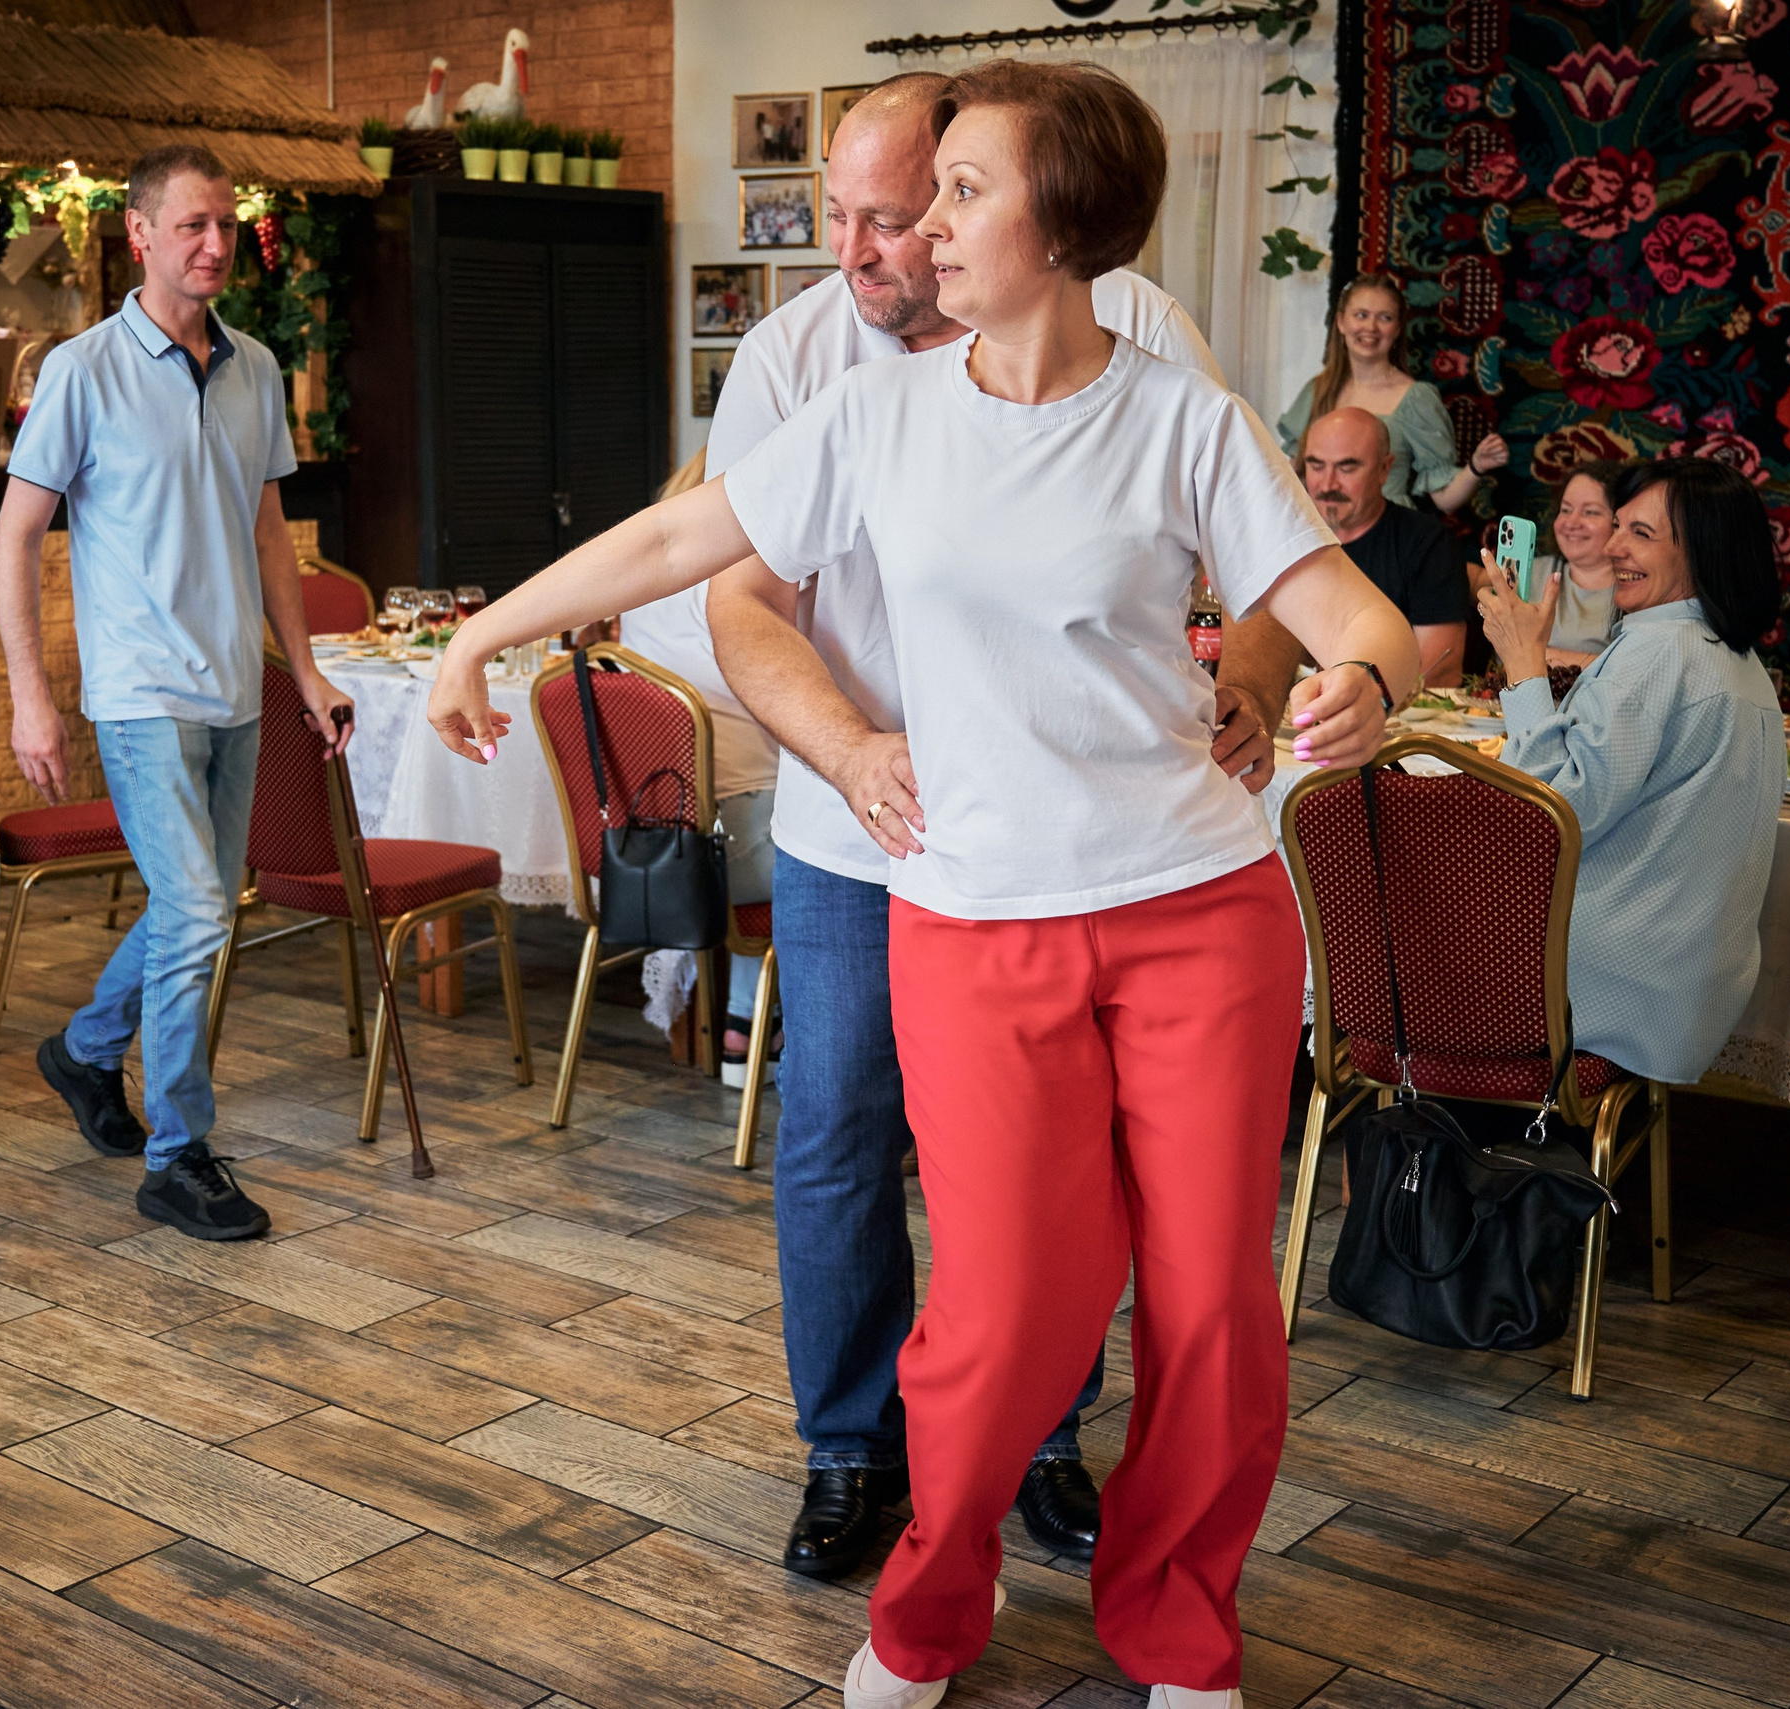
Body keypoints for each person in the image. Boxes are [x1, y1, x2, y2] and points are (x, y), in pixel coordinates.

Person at [427, 60, 1417, 1709]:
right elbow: (680, 550)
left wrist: (1362, 687)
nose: (916, 226)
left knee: (1211, 1305)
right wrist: (482, 626)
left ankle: (1178, 1620)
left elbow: (1345, 607)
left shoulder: (1183, 416)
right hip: (970, 911)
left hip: (1196, 905)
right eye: (920, 193)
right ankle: (931, 1598)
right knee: (1009, 1308)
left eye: (962, 191)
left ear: (1061, 220)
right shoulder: (875, 413)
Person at [689, 68, 1308, 1582]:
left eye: (898, 215)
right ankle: (852, 1454)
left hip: (1093, 844)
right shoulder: (792, 360)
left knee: (1070, 1179)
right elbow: (732, 595)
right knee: (837, 1125)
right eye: (839, 216)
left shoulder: (1142, 331)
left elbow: (1263, 549)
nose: (864, 251)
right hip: (866, 826)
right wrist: (848, 748)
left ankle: (1041, 1435)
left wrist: (1263, 677)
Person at [0, 143, 350, 1242]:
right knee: (200, 908)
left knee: (194, 906)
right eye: (191, 225)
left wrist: (307, 669)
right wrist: (30, 694)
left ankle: (87, 1048)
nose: (213, 245)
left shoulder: (250, 365)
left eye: (225, 227)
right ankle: (178, 1151)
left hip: (236, 689)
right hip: (141, 691)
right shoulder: (82, 371)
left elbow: (268, 535)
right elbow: (14, 539)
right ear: (138, 235)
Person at [1476, 457, 1782, 1083]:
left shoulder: (1655, 653)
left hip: (1603, 991)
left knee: (1389, 923)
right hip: (1686, 992)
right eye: (1618, 527)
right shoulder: (1742, 664)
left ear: (1701, 552)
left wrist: (1522, 662)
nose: (1612, 546)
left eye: (1640, 534)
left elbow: (1546, 816)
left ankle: (1389, 1151)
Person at [619, 453, 783, 1086]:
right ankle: (825, 1040)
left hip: (662, 840)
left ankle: (745, 1027)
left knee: (778, 806)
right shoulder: (748, 572)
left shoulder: (642, 581)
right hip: (729, 850)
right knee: (856, 840)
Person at [1276, 272, 1505, 513]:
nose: (1370, 328)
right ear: (1342, 322)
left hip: (1387, 537)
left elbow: (1445, 500)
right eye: (1361, 315)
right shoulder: (1317, 391)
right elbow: (1294, 482)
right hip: (1323, 537)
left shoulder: (1417, 398)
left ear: (1397, 329)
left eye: (1384, 318)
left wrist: (1476, 466)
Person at [1299, 408, 1467, 686]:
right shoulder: (1287, 540)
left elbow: (1438, 671)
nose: (1327, 484)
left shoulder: (1428, 543)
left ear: (1384, 469)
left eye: (1347, 467)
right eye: (1316, 466)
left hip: (1392, 719)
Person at [1531, 459, 1627, 665]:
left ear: (1620, 522)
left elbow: (1632, 670)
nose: (1571, 523)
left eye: (1590, 512)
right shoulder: (1529, 570)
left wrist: (1530, 655)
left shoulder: (1637, 589)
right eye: (1565, 510)